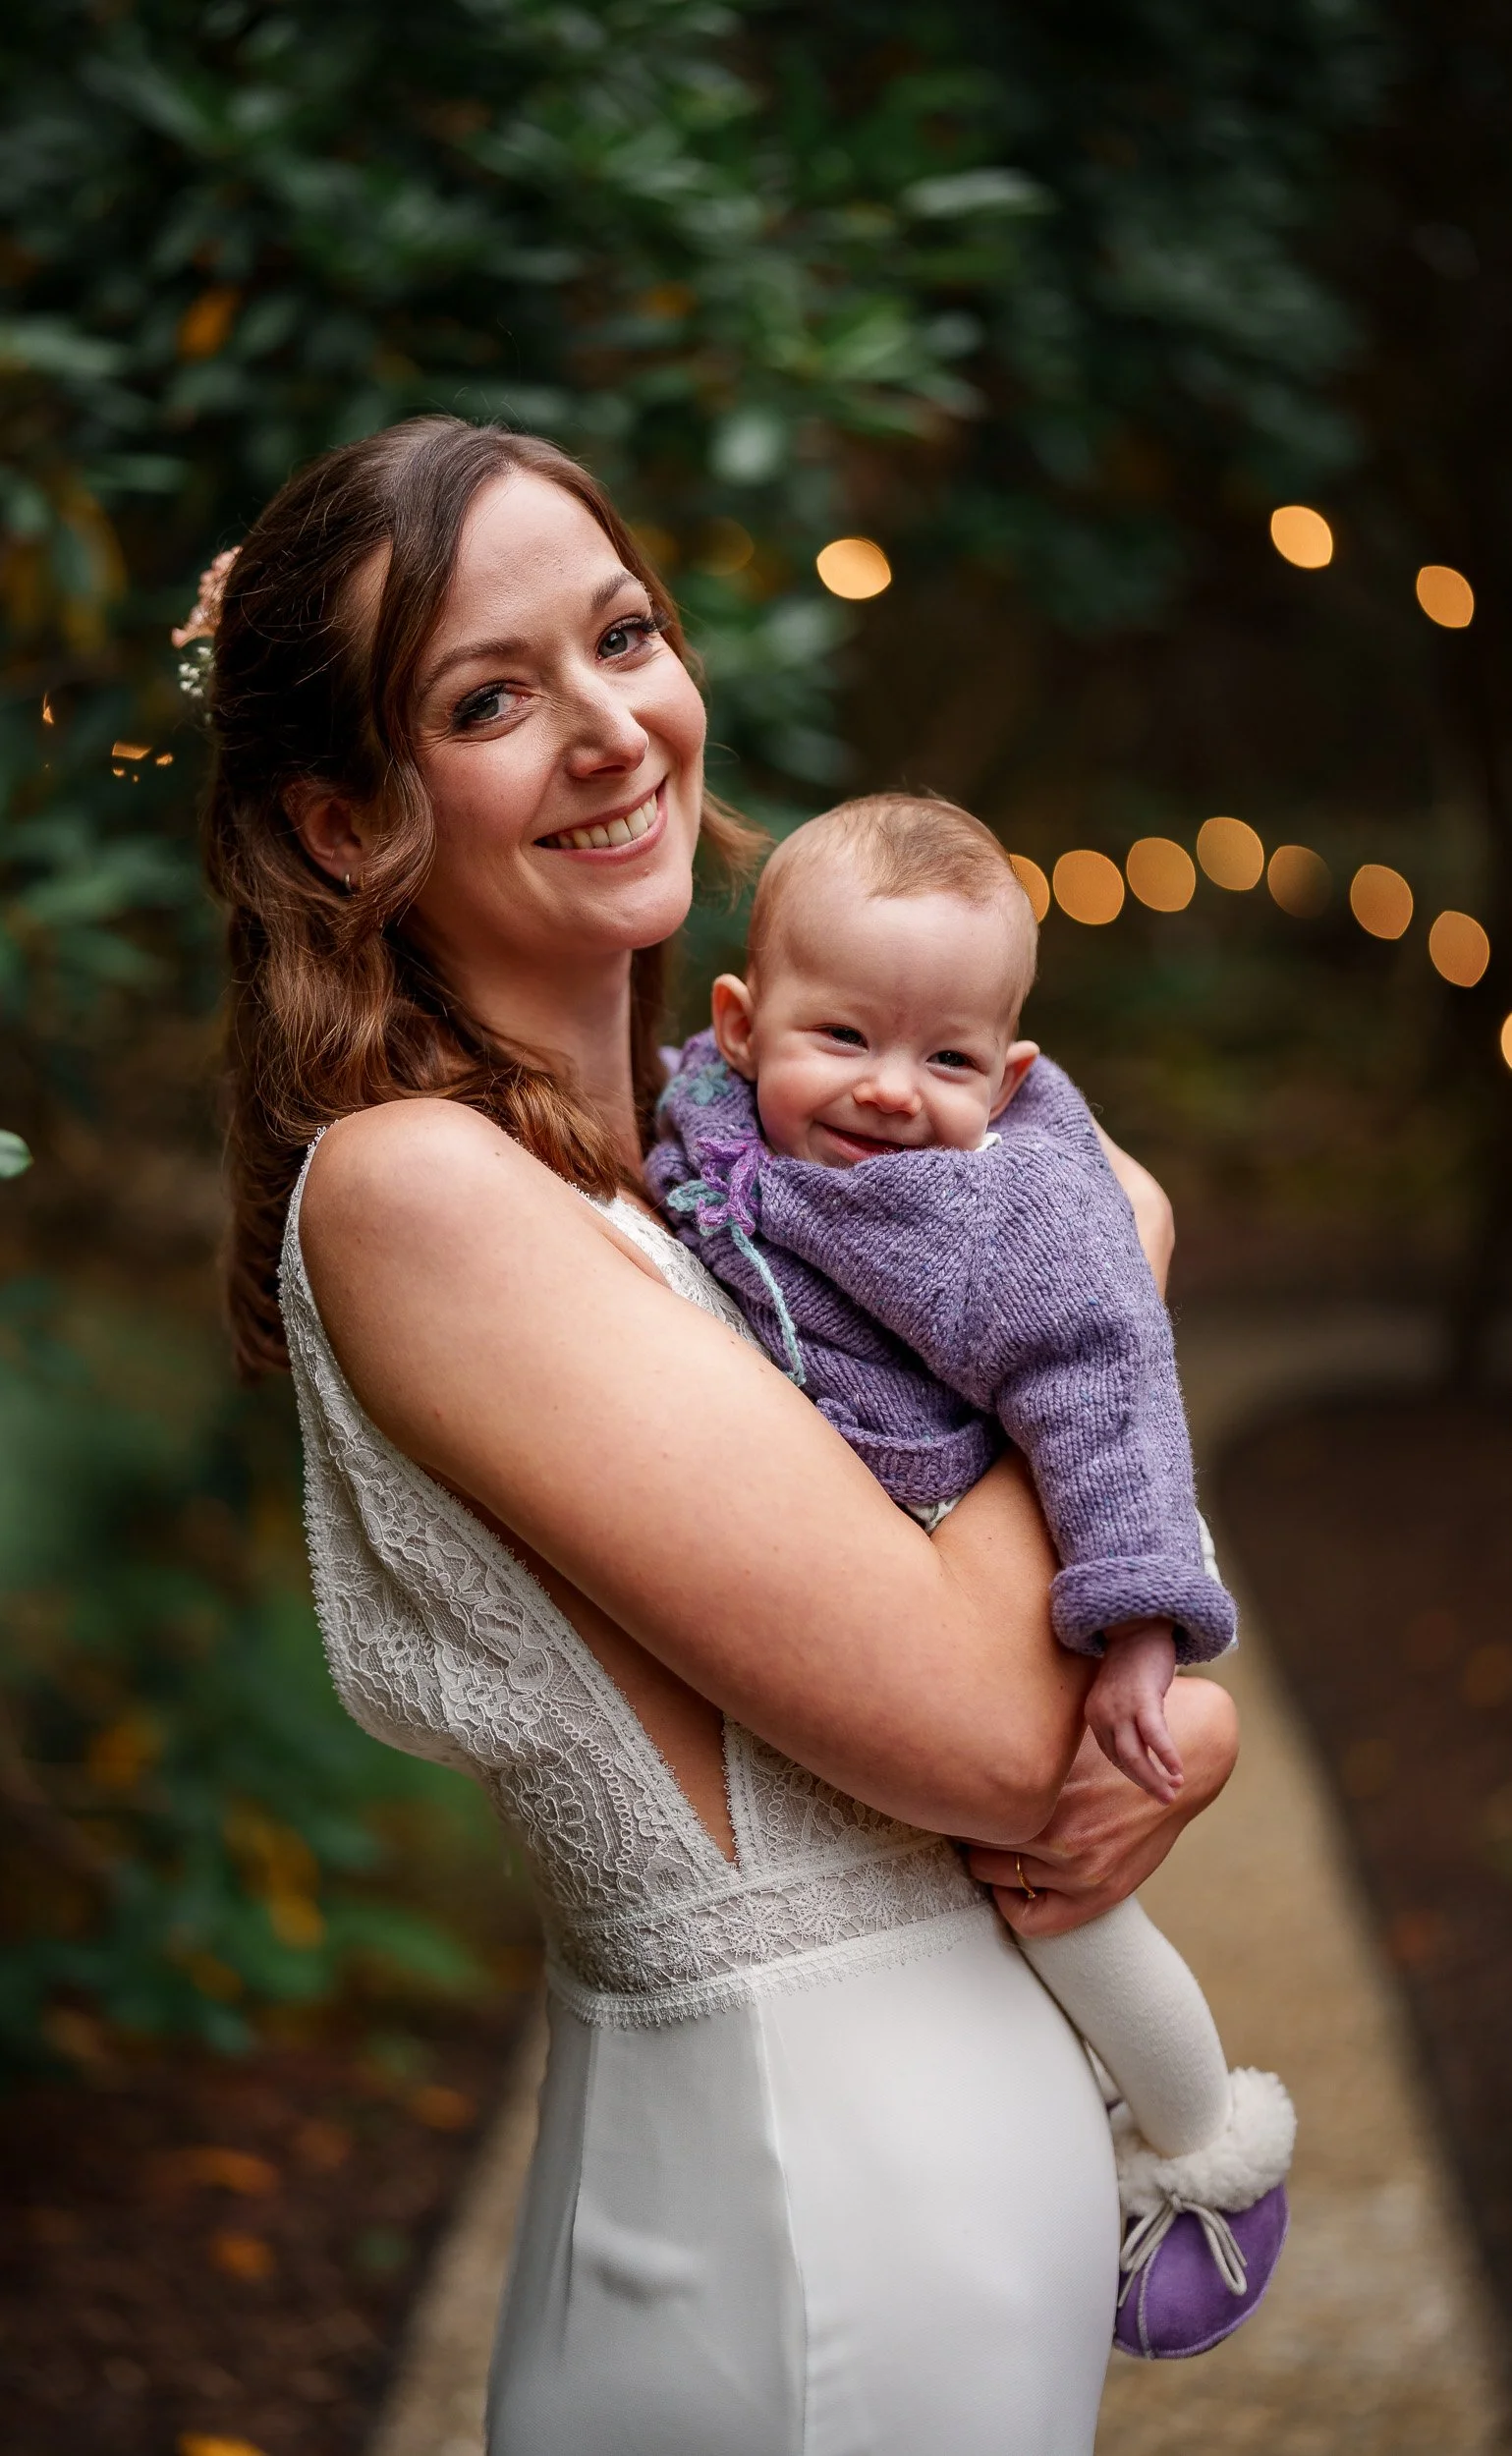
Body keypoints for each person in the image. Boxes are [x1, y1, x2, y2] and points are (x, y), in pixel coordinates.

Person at [193, 414, 1240, 2453]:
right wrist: (1105, 1255)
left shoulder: (700, 1174)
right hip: (792, 2197)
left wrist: (1168, 1728)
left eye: (624, 634)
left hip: (929, 2171)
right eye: (488, 696)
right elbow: (961, 1719)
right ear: (341, 825)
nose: (607, 725)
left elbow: (955, 1622)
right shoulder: (422, 1187)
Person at [648, 795, 1294, 2355]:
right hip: (879, 1564)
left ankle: (1202, 2145)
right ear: (737, 1026)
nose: (887, 1093)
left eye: (946, 1062)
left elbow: (1102, 1382)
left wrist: (1136, 1631)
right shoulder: (698, 1123)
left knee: (1053, 1895)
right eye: (845, 1037)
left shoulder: (992, 1214)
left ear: (1006, 1080)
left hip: (1061, 1549)